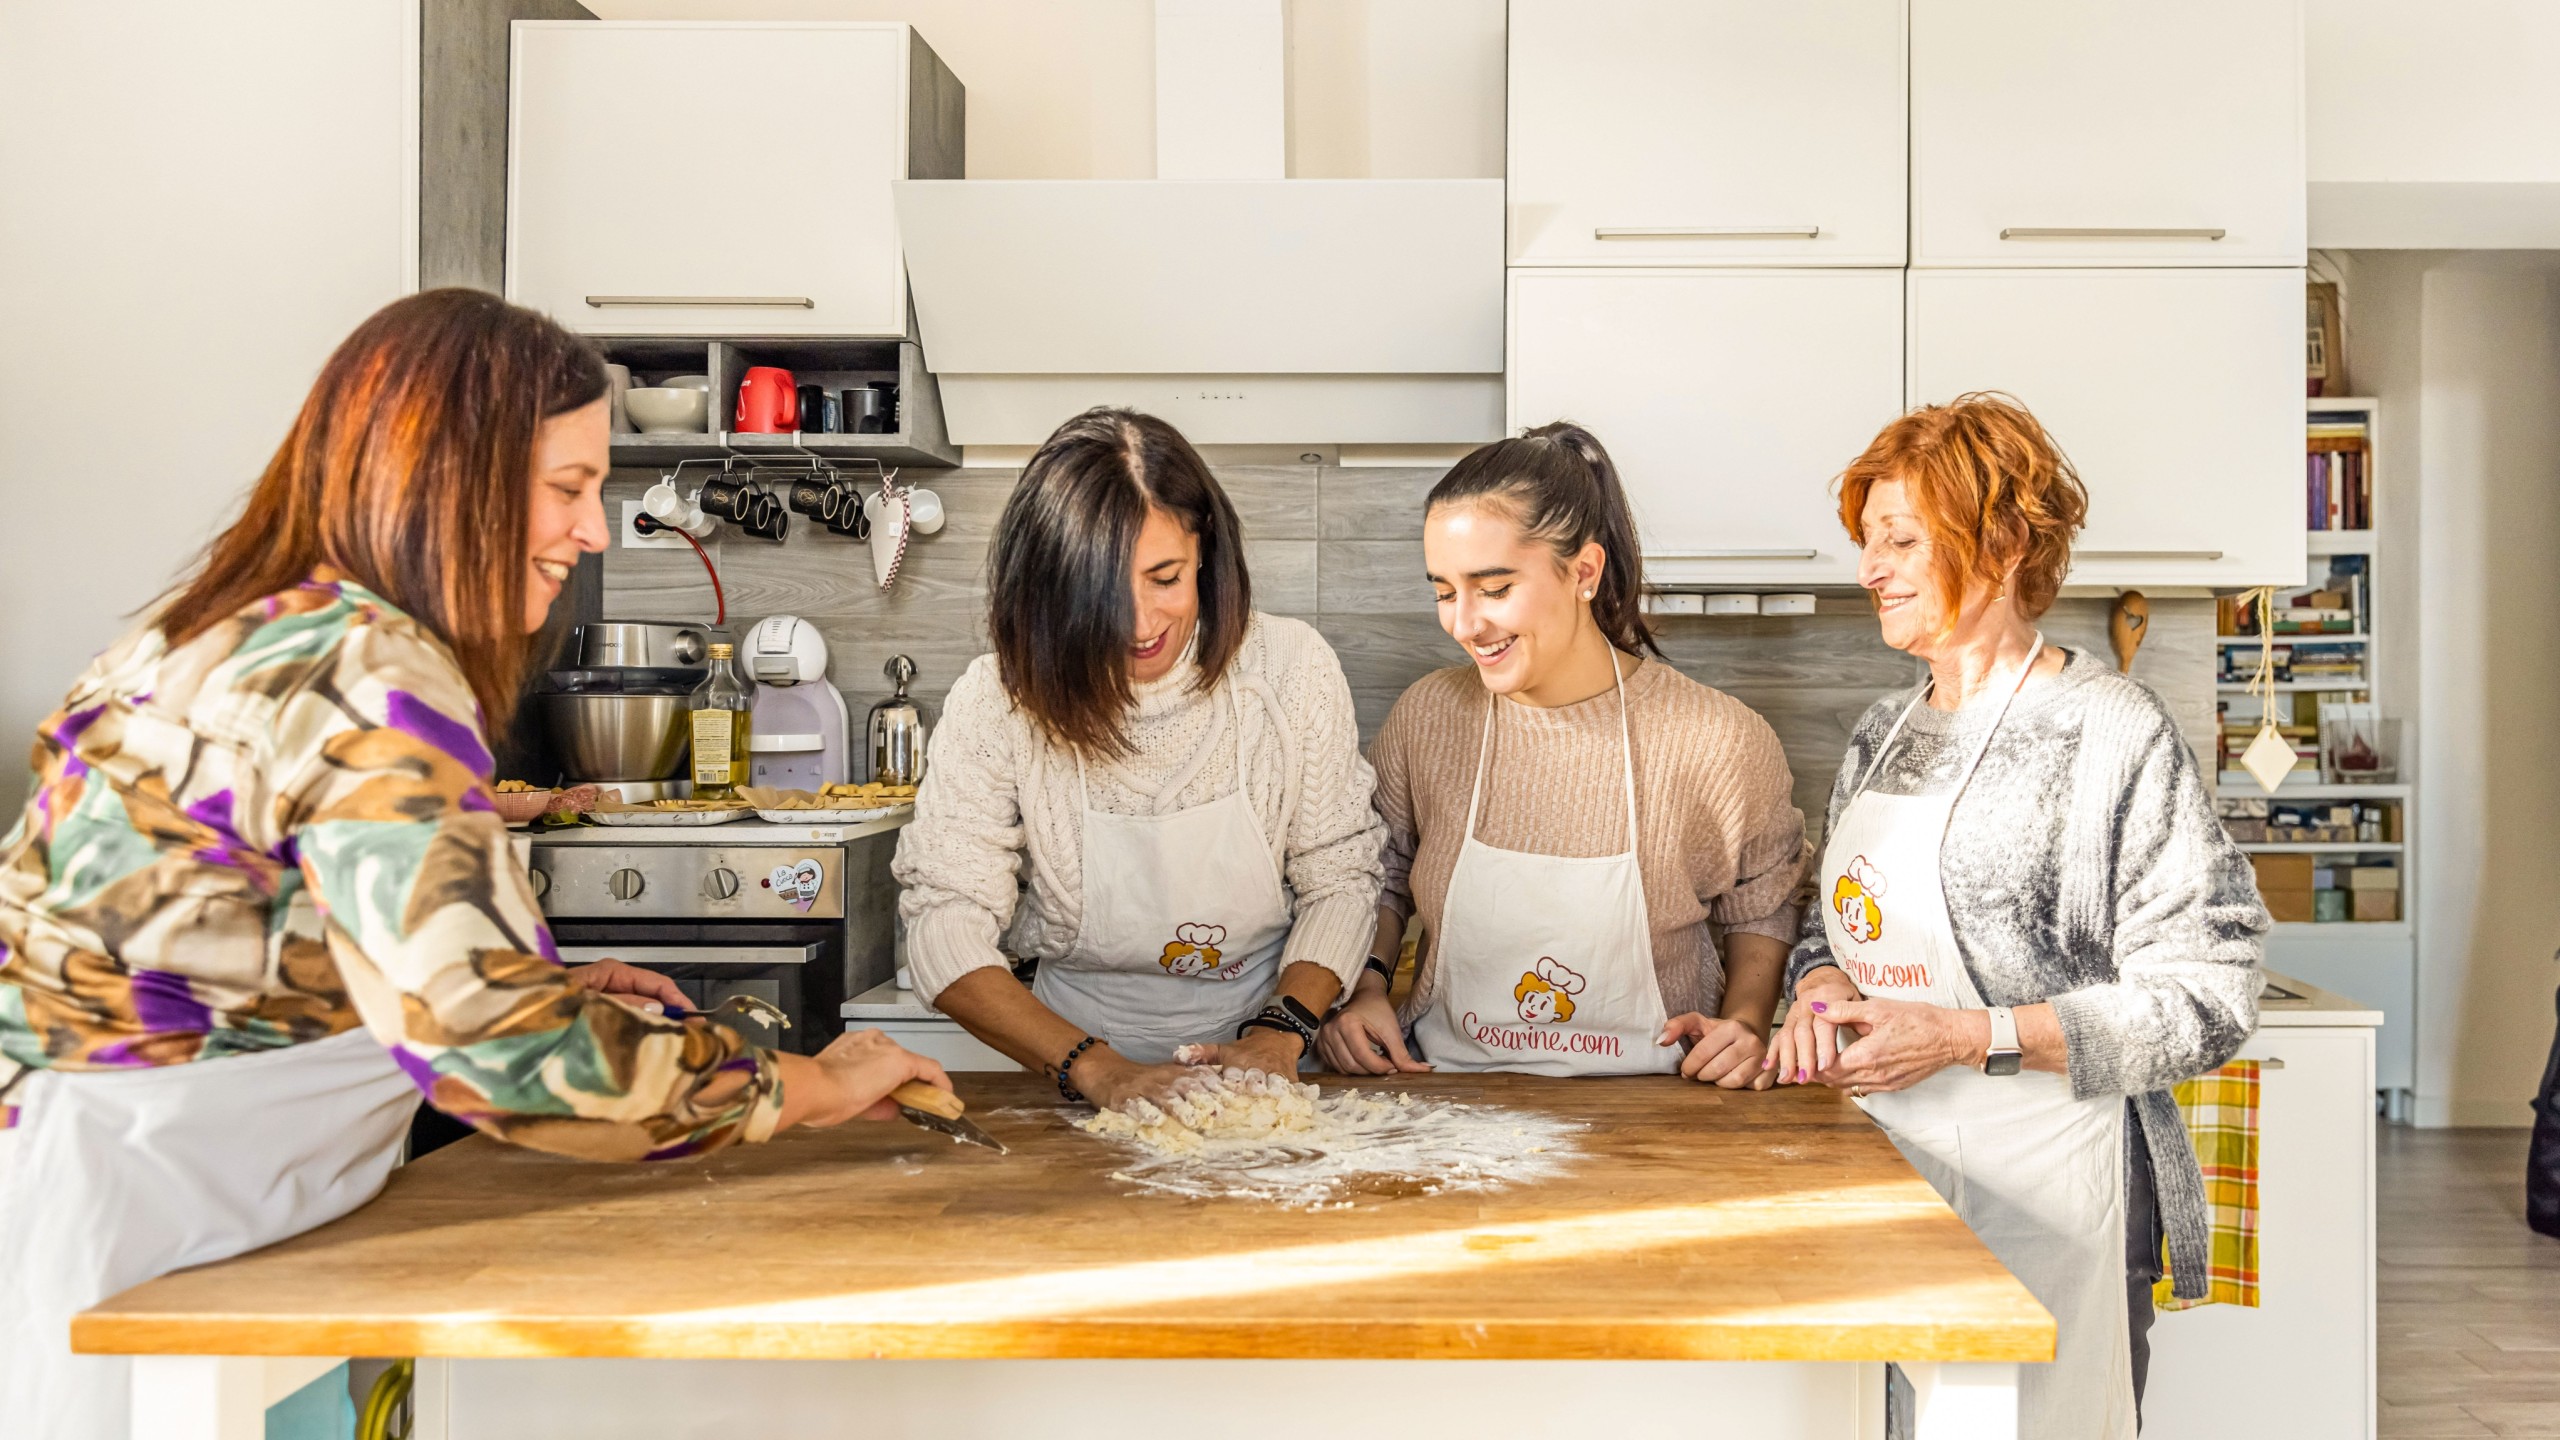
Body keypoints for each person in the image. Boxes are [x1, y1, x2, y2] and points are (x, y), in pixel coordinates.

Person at [0, 290, 950, 1438]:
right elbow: (505, 1061)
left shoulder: (243, 627)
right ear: (442, 477)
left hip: (199, 1208)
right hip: (143, 1226)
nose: (593, 532)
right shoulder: (367, 670)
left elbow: (266, 947)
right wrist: (810, 1086)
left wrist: (532, 983)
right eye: (566, 489)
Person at [1771, 393, 2267, 1438]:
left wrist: (1965, 1036)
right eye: (1867, 543)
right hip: (1879, 1164)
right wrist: (1818, 987)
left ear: (2000, 540)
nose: (1869, 569)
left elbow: (2210, 996)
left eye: (1901, 540)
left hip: (2050, 1178)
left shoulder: (2107, 730)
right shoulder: (1879, 730)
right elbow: (1832, 927)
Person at [892, 408, 1385, 1110]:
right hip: (1066, 1059)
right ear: (1050, 587)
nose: (1140, 625)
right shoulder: (997, 699)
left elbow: (1340, 877)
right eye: (1100, 593)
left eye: (1165, 577)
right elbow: (942, 925)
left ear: (1205, 553)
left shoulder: (1289, 669)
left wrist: (1279, 1033)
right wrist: (1097, 1070)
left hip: (1267, 1054)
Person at [1316, 423, 1806, 1080]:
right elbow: (1382, 874)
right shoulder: (1430, 717)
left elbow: (1765, 903)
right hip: (1446, 1098)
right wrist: (1369, 987)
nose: (1464, 624)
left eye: (1494, 589)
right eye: (1443, 591)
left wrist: (1744, 1024)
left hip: (1656, 1111)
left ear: (1583, 571)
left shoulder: (1715, 739)